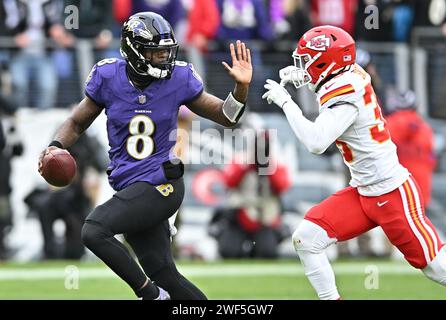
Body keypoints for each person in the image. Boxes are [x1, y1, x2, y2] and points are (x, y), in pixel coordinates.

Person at [37, 12, 252, 300]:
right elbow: (76, 122)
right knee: (165, 274)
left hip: (161, 184)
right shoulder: (108, 76)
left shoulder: (178, 78)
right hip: (131, 186)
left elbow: (227, 116)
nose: (164, 57)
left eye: (167, 51)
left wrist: (241, 87)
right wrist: (56, 145)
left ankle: (151, 296)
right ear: (134, 51)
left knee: (94, 230)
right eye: (156, 51)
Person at [262, 25, 446, 299]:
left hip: (391, 192)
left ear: (326, 63)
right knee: (307, 238)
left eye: (307, 61)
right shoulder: (349, 73)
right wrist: (302, 74)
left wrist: (287, 102)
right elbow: (327, 78)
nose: (303, 66)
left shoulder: (345, 91)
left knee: (436, 267)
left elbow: (316, 141)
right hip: (363, 192)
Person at [209, 125, 291, 259]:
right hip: (239, 218)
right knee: (228, 252)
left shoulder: (276, 163)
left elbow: (283, 186)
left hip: (265, 220)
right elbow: (228, 181)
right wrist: (247, 165)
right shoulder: (241, 159)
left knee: (267, 253)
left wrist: (268, 168)